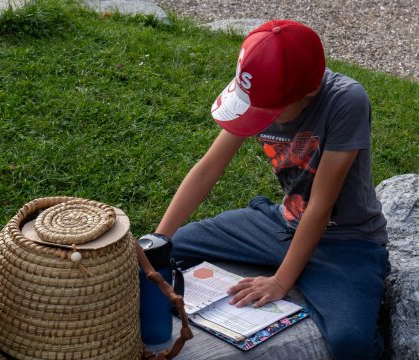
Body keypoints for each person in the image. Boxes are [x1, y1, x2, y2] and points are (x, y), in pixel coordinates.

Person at [146, 20, 389, 359]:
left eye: (267, 109)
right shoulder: (263, 88)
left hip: (346, 243)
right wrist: (157, 243)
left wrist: (281, 281)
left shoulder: (347, 100)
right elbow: (207, 169)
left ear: (307, 91)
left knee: (352, 344)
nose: (257, 115)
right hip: (279, 224)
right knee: (177, 246)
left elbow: (320, 204)